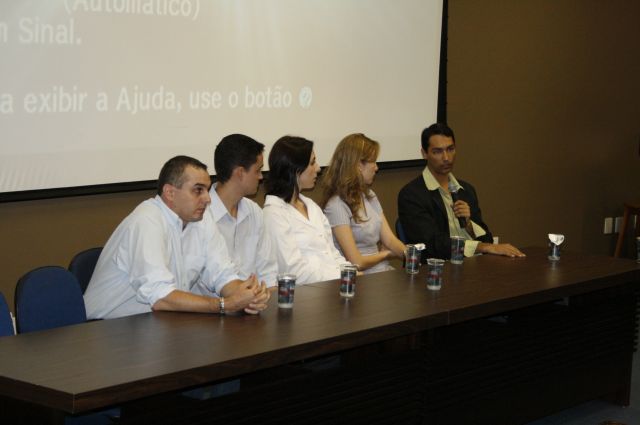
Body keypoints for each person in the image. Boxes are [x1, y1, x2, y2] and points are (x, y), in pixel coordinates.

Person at [84, 155, 270, 320]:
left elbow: (222, 274)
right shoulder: (146, 221)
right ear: (170, 193)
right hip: (105, 330)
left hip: (159, 323)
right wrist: (224, 304)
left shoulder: (201, 219)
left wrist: (247, 295)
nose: (208, 199)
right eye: (198, 190)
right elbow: (160, 297)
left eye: (207, 190)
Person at [398, 123, 524, 260]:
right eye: (437, 151)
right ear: (424, 154)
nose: (446, 158)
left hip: (474, 263)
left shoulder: (466, 190)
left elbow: (487, 239)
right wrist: (482, 247)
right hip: (438, 266)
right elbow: (432, 244)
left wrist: (469, 225)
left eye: (450, 149)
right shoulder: (411, 195)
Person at [263, 136, 347, 285]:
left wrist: (350, 272)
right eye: (312, 163)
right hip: (305, 293)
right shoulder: (273, 214)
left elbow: (332, 253)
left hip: (332, 285)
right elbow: (293, 271)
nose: (318, 168)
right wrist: (341, 275)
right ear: (295, 169)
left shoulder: (311, 206)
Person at [320, 133, 406, 274]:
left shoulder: (369, 196)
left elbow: (390, 240)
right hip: (360, 278)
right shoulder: (336, 205)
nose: (376, 168)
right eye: (373, 162)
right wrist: (386, 254)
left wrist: (409, 254)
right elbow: (356, 262)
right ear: (359, 165)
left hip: (382, 272)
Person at [206, 134, 277, 291]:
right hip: (216, 303)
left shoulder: (254, 211)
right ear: (240, 173)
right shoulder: (202, 215)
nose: (261, 177)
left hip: (256, 299)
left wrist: (267, 297)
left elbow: (268, 272)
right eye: (258, 170)